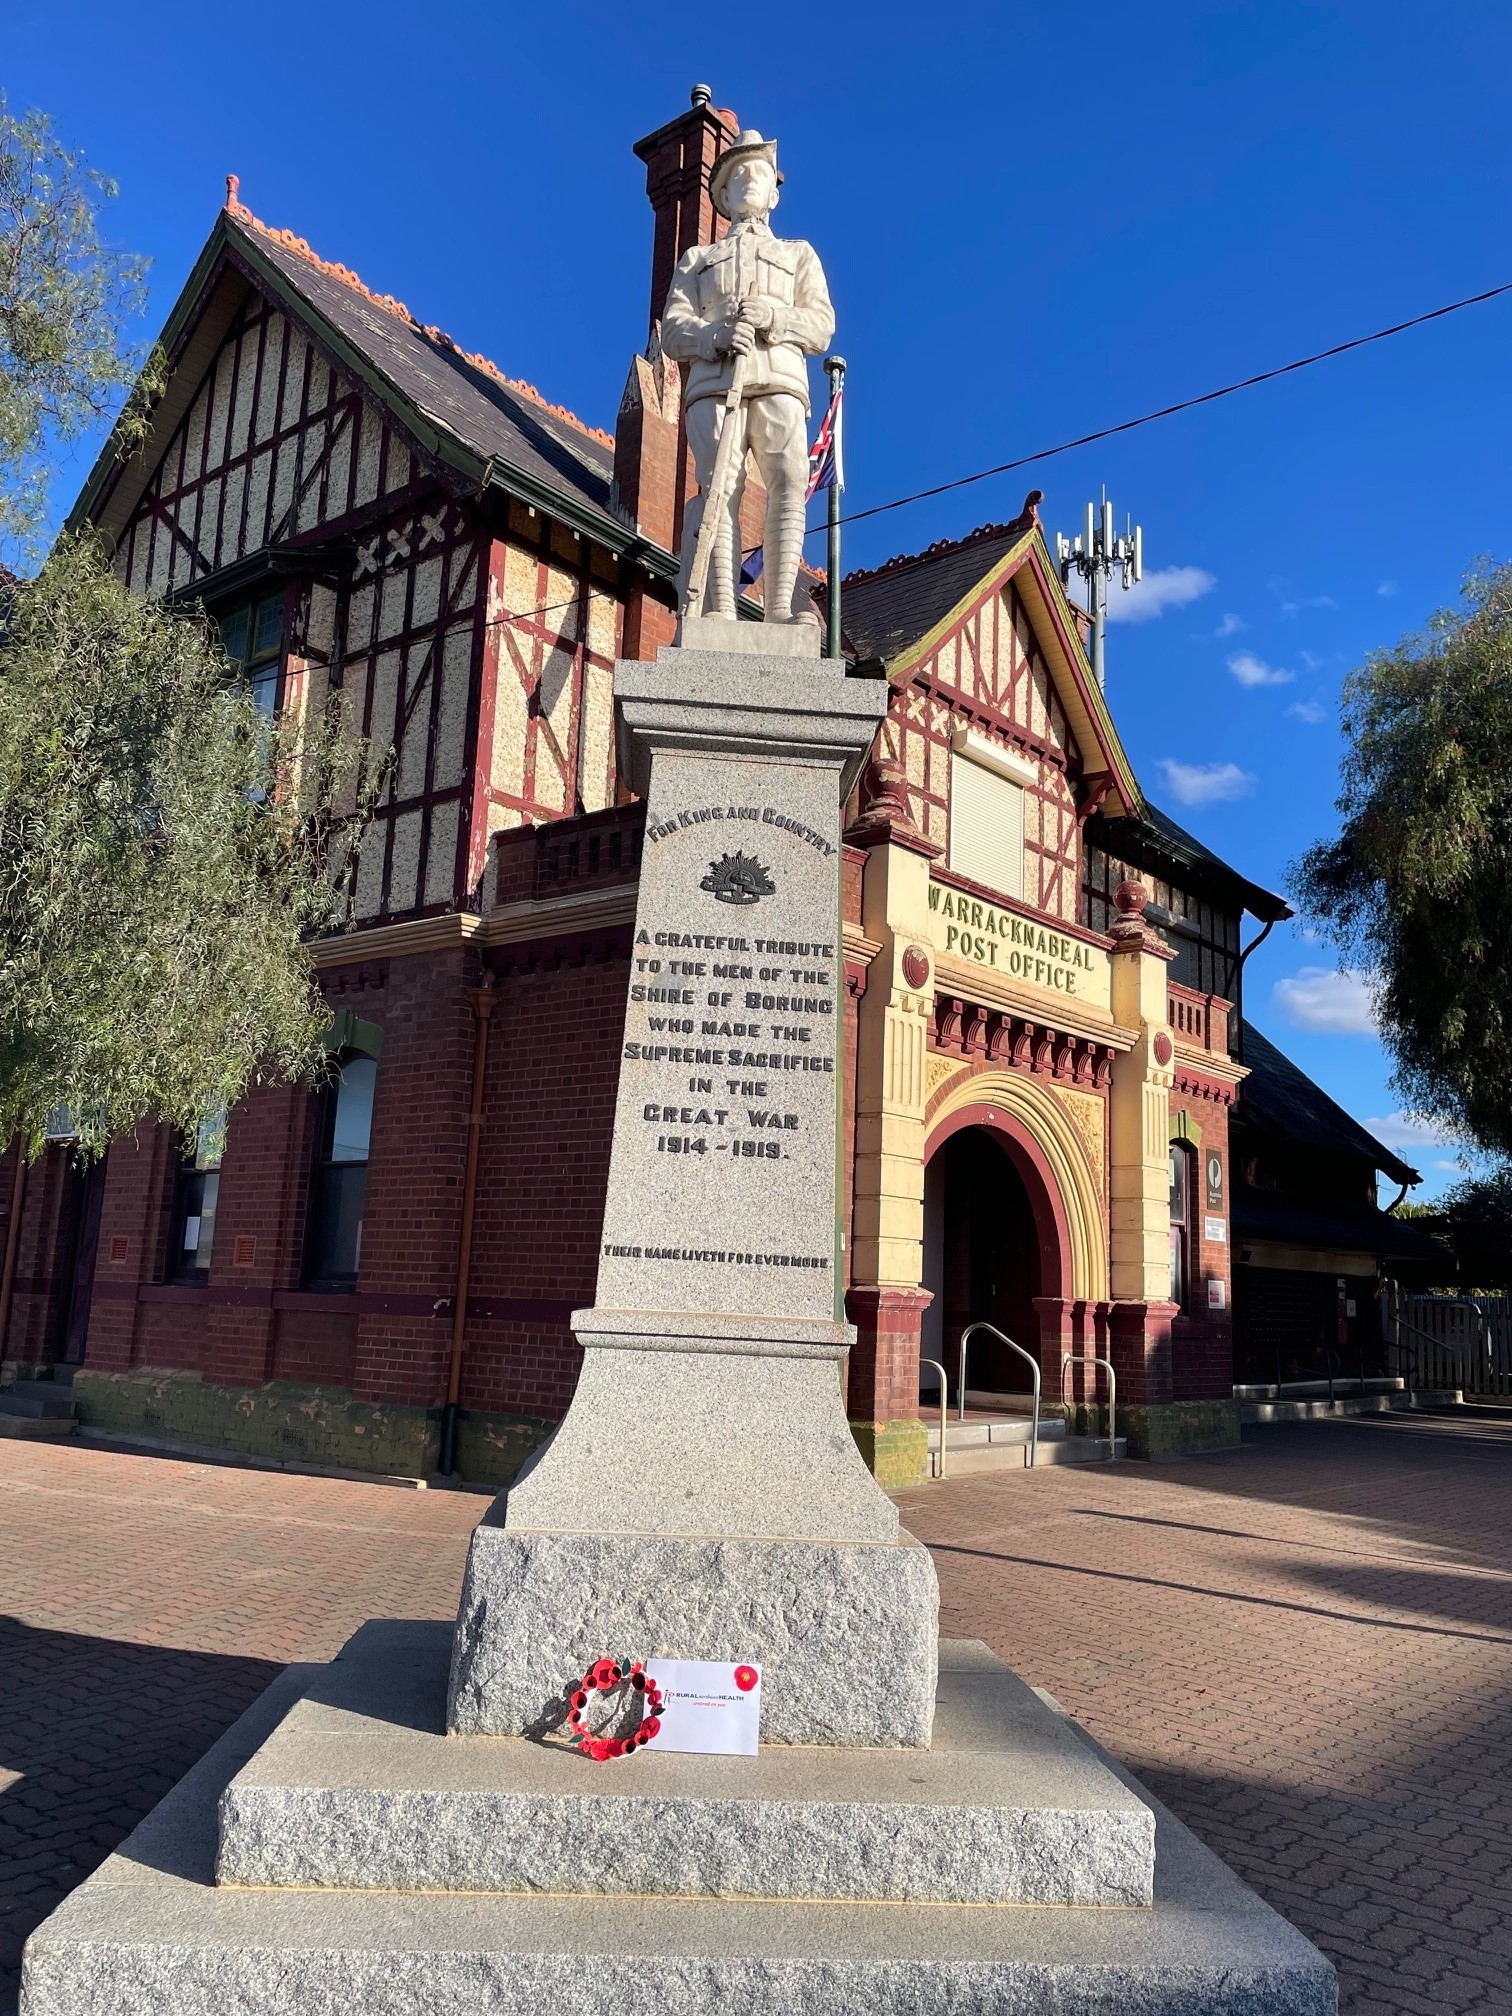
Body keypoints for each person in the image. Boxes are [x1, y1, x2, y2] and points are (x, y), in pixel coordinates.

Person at [661, 129, 835, 629]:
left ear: (775, 193)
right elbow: (674, 330)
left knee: (790, 479)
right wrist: (714, 335)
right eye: (738, 175)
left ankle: (779, 607)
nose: (748, 182)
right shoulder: (697, 261)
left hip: (780, 378)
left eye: (758, 173)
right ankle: (719, 608)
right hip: (715, 384)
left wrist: (774, 320)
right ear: (723, 194)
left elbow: (821, 324)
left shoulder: (798, 255)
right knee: (720, 486)